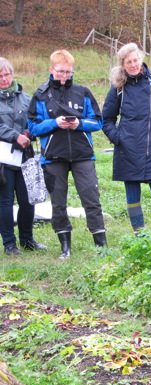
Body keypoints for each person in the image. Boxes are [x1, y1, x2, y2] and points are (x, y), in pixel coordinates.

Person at [28, 50, 105, 259]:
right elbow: (33, 128)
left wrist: (79, 124)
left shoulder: (83, 92)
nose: (65, 76)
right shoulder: (41, 95)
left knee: (91, 198)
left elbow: (98, 122)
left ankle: (101, 246)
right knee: (58, 203)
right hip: (53, 157)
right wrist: (55, 123)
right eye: (61, 71)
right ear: (51, 69)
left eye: (68, 72)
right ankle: (65, 247)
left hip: (83, 155)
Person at [102, 43, 151, 233]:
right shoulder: (118, 88)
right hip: (128, 152)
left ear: (141, 59)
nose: (133, 65)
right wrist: (118, 139)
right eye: (129, 62)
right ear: (123, 65)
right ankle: (139, 236)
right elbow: (106, 119)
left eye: (135, 60)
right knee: (133, 198)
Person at [0, 58, 47, 256]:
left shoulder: (26, 98)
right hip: (3, 160)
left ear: (12, 74)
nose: (3, 79)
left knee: (28, 201)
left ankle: (27, 240)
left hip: (25, 157)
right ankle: (9, 244)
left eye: (6, 74)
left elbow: (35, 122)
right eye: (0, 76)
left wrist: (30, 134)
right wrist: (14, 136)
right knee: (5, 201)